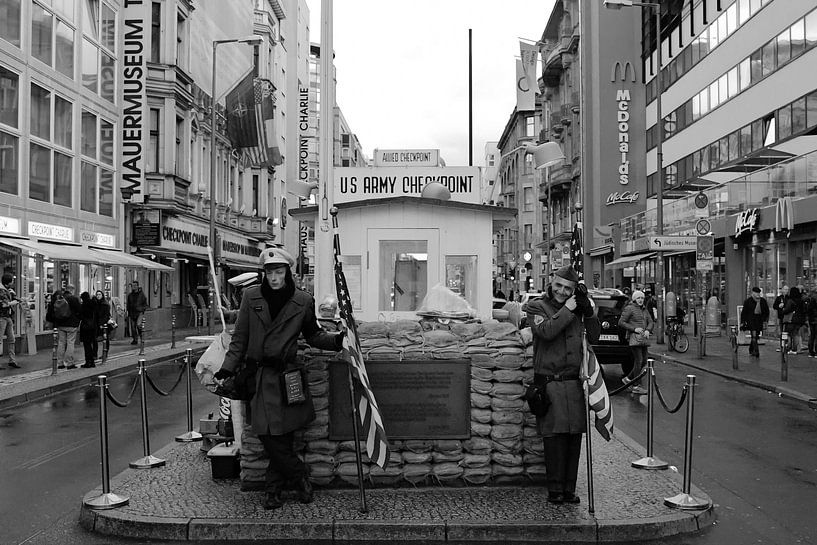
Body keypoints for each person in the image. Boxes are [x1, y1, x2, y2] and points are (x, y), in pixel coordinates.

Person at [214, 246, 345, 510]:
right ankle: (299, 477)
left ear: (287, 271)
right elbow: (240, 339)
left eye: (279, 272)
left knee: (283, 434)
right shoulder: (251, 297)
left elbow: (313, 336)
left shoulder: (303, 300)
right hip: (259, 377)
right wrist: (226, 369)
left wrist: (339, 341)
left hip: (287, 377)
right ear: (264, 273)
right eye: (269, 272)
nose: (274, 278)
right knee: (267, 433)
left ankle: (272, 490)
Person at [524, 265, 599, 505]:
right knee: (554, 438)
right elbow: (546, 331)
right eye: (558, 285)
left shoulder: (577, 310)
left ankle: (569, 489)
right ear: (551, 282)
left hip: (573, 384)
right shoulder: (537, 307)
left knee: (573, 438)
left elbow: (595, 337)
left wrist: (589, 313)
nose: (562, 291)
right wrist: (568, 310)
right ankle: (555, 489)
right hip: (550, 384)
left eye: (568, 288)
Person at [619, 290, 654, 396]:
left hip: (644, 338)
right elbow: (621, 322)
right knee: (639, 361)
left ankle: (628, 379)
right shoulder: (630, 308)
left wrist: (648, 329)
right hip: (635, 338)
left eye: (642, 298)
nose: (640, 300)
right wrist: (634, 329)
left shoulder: (644, 309)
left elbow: (651, 321)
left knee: (643, 361)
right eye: (638, 298)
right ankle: (636, 386)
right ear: (634, 299)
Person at [46, 285, 82, 369]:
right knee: (70, 343)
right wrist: (78, 320)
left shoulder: (59, 298)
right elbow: (79, 310)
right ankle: (69, 363)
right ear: (72, 290)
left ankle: (60, 363)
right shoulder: (74, 299)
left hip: (60, 324)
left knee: (61, 343)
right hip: (71, 325)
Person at [740, 287, 769, 358]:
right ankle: (756, 351)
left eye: (759, 293)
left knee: (756, 336)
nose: (758, 294)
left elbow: (766, 311)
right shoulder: (748, 301)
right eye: (756, 293)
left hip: (759, 321)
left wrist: (765, 319)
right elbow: (744, 312)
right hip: (751, 321)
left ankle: (751, 348)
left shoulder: (762, 301)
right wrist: (743, 322)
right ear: (753, 293)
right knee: (754, 335)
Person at [0, 272, 21, 369]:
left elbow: (15, 299)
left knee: (12, 339)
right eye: (12, 281)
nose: (13, 283)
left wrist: (14, 296)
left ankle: (12, 360)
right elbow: (3, 304)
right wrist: (12, 302)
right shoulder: (1, 290)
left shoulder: (8, 290)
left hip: (8, 317)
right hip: (1, 317)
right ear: (8, 282)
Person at [781, 286, 805, 354]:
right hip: (799, 320)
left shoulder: (790, 301)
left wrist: (783, 310)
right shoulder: (801, 300)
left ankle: (789, 347)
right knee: (796, 334)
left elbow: (787, 310)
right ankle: (795, 349)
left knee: (788, 334)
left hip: (791, 319)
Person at [79, 292, 98, 368]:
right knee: (92, 344)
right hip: (93, 326)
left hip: (85, 326)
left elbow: (80, 315)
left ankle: (88, 361)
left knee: (87, 345)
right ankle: (92, 362)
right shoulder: (94, 304)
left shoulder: (83, 305)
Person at [126, 280, 148, 345]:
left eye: (135, 286)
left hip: (139, 312)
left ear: (138, 286)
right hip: (132, 313)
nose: (133, 287)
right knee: (133, 327)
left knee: (138, 325)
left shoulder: (141, 295)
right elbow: (128, 304)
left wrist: (142, 309)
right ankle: (135, 339)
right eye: (132, 286)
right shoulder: (130, 295)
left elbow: (145, 304)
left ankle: (141, 337)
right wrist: (128, 311)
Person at [94, 290, 112, 359]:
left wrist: (102, 324)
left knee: (105, 339)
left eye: (99, 294)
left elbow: (106, 315)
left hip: (104, 324)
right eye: (97, 294)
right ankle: (95, 354)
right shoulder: (95, 303)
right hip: (96, 323)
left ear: (102, 295)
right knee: (95, 339)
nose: (98, 296)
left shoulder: (105, 304)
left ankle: (105, 353)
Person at [773, 285, 789, 351]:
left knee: (787, 332)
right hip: (781, 317)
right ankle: (782, 346)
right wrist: (779, 306)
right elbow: (774, 306)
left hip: (788, 317)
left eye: (787, 290)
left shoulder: (789, 298)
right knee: (782, 332)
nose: (786, 291)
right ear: (782, 290)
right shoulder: (779, 298)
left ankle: (787, 346)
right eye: (785, 289)